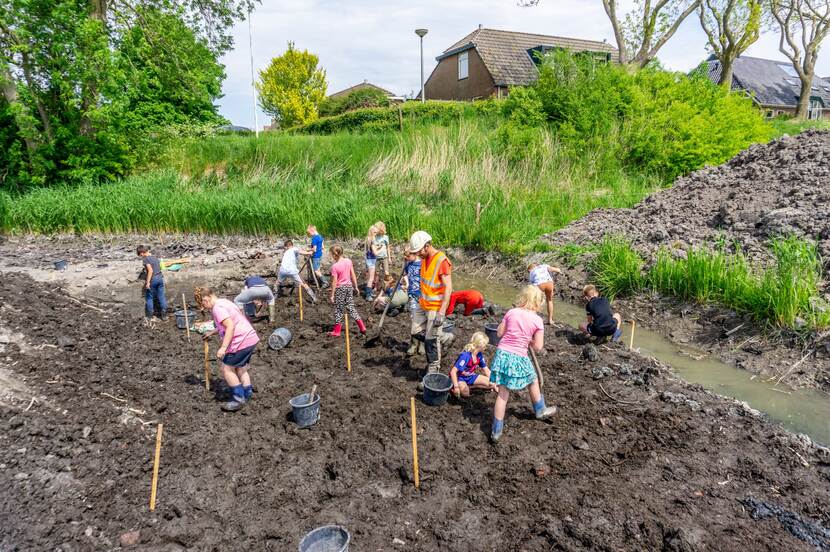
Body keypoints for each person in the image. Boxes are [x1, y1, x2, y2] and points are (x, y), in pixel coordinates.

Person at [489, 285, 557, 443]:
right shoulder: (538, 321)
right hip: (519, 355)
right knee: (533, 379)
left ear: (523, 298)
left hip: (503, 354)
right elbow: (538, 347)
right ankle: (540, 410)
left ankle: (496, 431)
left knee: (503, 393)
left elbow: (499, 333)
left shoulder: (511, 312)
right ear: (538, 303)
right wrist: (529, 339)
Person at [195, 287, 260, 412]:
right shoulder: (225, 302)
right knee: (241, 367)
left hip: (241, 340)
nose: (205, 308)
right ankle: (247, 392)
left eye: (202, 304)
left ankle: (238, 399)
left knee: (227, 368)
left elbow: (230, 326)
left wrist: (223, 348)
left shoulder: (217, 308)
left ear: (206, 299)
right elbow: (232, 321)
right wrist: (213, 332)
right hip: (250, 337)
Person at [408, 230, 452, 383]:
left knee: (430, 341)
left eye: (419, 250)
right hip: (423, 304)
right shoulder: (423, 258)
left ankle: (433, 370)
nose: (418, 254)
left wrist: (441, 312)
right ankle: (445, 338)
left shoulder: (442, 261)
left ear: (427, 246)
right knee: (416, 331)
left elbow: (448, 288)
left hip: (435, 306)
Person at [328, 245, 367, 336]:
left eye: (331, 254)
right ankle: (362, 327)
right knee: (351, 307)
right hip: (349, 287)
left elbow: (334, 282)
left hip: (340, 288)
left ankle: (337, 331)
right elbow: (353, 274)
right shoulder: (348, 261)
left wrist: (332, 294)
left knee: (339, 309)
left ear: (335, 254)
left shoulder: (335, 266)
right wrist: (356, 286)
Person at [450, 332, 497, 398]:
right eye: (485, 345)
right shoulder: (465, 356)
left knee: (492, 384)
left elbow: (487, 370)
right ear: (480, 345)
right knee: (465, 393)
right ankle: (458, 386)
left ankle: (470, 386)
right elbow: (453, 372)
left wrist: (495, 381)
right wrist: (456, 387)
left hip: (470, 376)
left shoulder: (479, 355)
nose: (486, 347)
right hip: (460, 378)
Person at [137, 245, 168, 321]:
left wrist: (147, 283)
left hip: (153, 279)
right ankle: (164, 316)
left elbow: (150, 271)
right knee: (161, 297)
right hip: (160, 278)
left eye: (140, 254)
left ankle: (149, 316)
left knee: (149, 297)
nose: (141, 256)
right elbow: (158, 268)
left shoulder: (146, 259)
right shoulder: (155, 258)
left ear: (142, 252)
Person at [403, 251, 423, 356]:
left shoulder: (422, 264)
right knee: (414, 320)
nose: (406, 257)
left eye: (408, 256)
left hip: (422, 296)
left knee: (423, 321)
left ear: (415, 254)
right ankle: (413, 344)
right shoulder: (408, 264)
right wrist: (406, 283)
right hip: (412, 295)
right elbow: (405, 274)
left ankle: (422, 345)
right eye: (405, 256)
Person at [363, 224, 379, 300]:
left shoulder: (367, 239)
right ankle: (368, 295)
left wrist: (377, 247)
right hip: (371, 260)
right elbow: (375, 253)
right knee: (371, 278)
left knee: (369, 277)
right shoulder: (372, 240)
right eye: (375, 232)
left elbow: (369, 250)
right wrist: (381, 249)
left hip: (368, 259)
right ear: (372, 232)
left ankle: (369, 292)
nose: (376, 234)